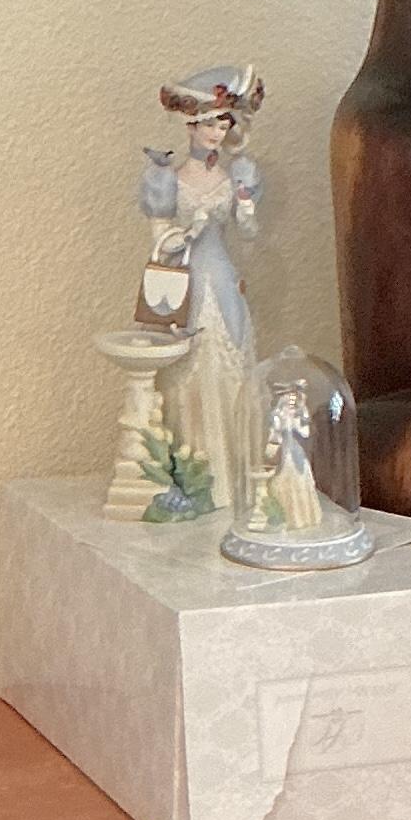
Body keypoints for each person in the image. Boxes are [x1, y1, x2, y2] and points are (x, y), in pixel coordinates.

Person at [137, 64, 263, 512]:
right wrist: (182, 235)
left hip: (222, 278)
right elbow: (159, 239)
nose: (216, 133)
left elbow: (249, 234)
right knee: (187, 373)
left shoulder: (236, 175)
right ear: (191, 125)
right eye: (210, 124)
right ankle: (194, 476)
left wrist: (245, 206)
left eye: (223, 125)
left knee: (229, 367)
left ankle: (233, 481)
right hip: (186, 284)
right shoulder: (167, 178)